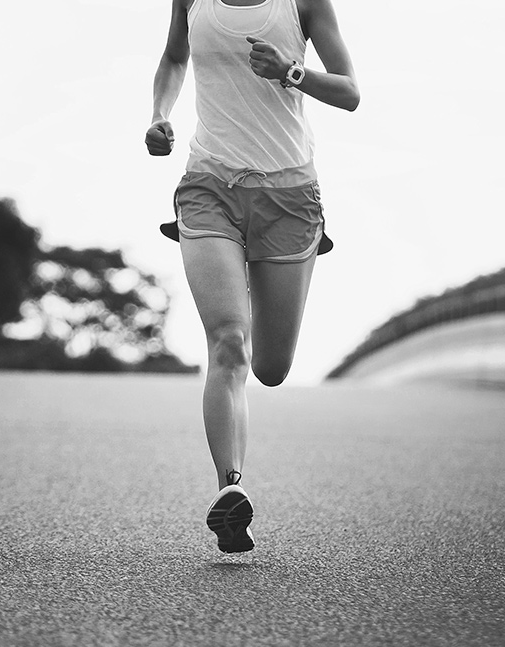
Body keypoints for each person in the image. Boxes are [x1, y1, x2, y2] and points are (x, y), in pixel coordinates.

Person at [146, 0, 359, 553]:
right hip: (208, 185)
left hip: (289, 196)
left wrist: (291, 71)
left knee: (270, 367)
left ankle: (232, 480)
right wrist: (160, 114)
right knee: (228, 341)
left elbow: (349, 92)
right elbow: (174, 58)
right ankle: (230, 489)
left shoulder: (304, 4)